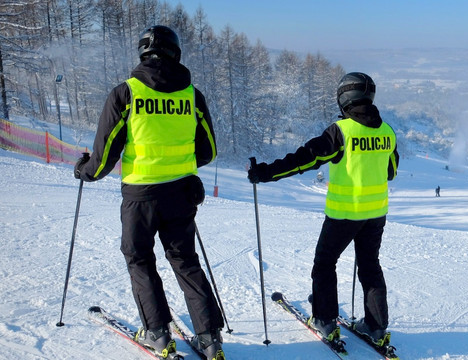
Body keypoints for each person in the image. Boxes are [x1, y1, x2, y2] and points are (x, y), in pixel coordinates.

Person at [73, 25, 224, 360]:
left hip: (141, 195)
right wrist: (182, 165)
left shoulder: (126, 93)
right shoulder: (192, 95)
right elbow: (209, 149)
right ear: (176, 52)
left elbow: (105, 154)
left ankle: (156, 332)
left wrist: (84, 170)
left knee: (139, 258)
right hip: (182, 193)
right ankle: (209, 337)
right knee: (185, 261)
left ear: (143, 52)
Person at [248, 72, 399, 346]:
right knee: (370, 267)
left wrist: (266, 173)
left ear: (344, 98)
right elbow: (391, 171)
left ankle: (326, 321)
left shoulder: (341, 131)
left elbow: (305, 159)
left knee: (325, 264)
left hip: (344, 214)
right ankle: (376, 328)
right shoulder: (387, 131)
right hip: (376, 214)